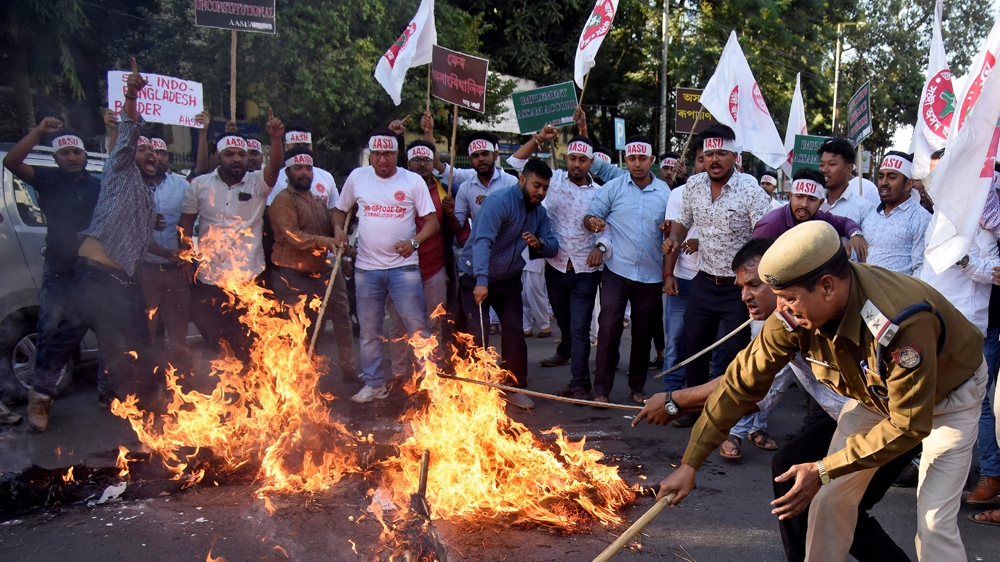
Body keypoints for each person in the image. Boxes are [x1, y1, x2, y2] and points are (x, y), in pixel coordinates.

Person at [653, 220, 987, 561]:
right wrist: (690, 464)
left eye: (788, 298)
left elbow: (908, 424)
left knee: (934, 524)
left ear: (827, 286)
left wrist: (824, 468)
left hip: (949, 398)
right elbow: (740, 384)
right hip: (874, 399)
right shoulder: (792, 312)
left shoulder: (899, 322)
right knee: (829, 501)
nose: (781, 309)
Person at [26, 61, 167, 430]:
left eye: (155, 152)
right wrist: (132, 96)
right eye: (143, 150)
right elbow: (128, 134)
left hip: (125, 281)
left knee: (141, 340)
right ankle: (40, 399)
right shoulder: (120, 171)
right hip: (93, 275)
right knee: (64, 338)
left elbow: (139, 244)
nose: (150, 154)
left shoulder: (148, 196)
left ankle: (153, 398)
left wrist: (165, 246)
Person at [662, 125, 771, 424]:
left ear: (734, 156)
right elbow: (682, 221)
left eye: (721, 153)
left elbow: (766, 234)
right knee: (694, 348)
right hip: (703, 281)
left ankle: (728, 414)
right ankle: (693, 410)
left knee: (735, 353)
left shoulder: (750, 189)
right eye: (709, 153)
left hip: (738, 288)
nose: (714, 159)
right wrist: (673, 240)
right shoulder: (694, 185)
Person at [3, 117, 104, 407]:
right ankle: (41, 398)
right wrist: (38, 131)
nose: (72, 157)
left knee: (107, 333)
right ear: (56, 157)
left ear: (84, 155)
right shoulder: (47, 179)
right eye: (65, 152)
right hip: (59, 273)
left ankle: (109, 393)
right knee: (49, 332)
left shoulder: (98, 186)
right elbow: (11, 162)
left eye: (77, 152)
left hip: (94, 273)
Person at [333, 129, 438, 403]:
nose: (382, 160)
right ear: (370, 155)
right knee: (369, 331)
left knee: (418, 327)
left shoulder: (412, 181)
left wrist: (414, 243)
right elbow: (340, 210)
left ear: (397, 154)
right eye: (377, 154)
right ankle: (374, 384)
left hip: (404, 268)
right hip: (366, 269)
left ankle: (431, 382)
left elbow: (432, 222)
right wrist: (338, 229)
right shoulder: (358, 178)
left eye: (388, 154)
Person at [178, 110, 286, 360]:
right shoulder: (199, 185)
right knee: (220, 348)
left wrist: (276, 139)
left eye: (241, 154)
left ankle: (255, 383)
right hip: (211, 279)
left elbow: (275, 167)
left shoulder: (257, 183)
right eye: (230, 154)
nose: (236, 159)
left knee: (254, 346)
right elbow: (185, 224)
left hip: (249, 278)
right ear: (218, 157)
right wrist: (185, 258)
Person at [509, 127, 602, 399]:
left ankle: (580, 384)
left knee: (580, 328)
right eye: (572, 158)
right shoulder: (554, 181)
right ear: (566, 158)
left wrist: (600, 246)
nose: (576, 164)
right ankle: (573, 366)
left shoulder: (601, 192)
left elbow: (608, 227)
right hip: (555, 266)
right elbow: (516, 163)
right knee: (566, 325)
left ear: (591, 162)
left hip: (586, 270)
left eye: (582, 160)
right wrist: (538, 139)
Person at [458, 158, 558, 409]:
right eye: (536, 185)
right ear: (522, 179)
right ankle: (473, 391)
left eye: (545, 188)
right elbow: (482, 241)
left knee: (515, 334)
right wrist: (481, 281)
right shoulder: (499, 202)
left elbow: (553, 246)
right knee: (476, 337)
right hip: (476, 277)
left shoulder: (539, 212)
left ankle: (514, 388)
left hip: (509, 280)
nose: (540, 192)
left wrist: (539, 243)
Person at [584, 134, 671, 405]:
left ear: (652, 160)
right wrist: (592, 222)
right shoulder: (613, 187)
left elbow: (674, 227)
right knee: (608, 329)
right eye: (632, 158)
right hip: (617, 270)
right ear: (625, 159)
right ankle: (601, 391)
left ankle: (637, 388)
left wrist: (669, 229)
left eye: (642, 158)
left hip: (651, 275)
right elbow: (590, 215)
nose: (637, 163)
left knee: (643, 333)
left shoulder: (665, 193)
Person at [266, 147, 356, 380]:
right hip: (292, 276)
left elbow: (331, 229)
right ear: (288, 172)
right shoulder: (282, 200)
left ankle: (349, 369)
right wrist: (327, 242)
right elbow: (293, 235)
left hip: (325, 271)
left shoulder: (317, 201)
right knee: (300, 329)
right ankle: (301, 376)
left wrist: (342, 234)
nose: (305, 173)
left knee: (342, 318)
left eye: (308, 168)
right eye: (298, 168)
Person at [137, 133, 193, 369]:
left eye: (161, 153)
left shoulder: (182, 185)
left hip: (175, 270)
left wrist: (187, 258)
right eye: (150, 152)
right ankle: (150, 376)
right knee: (146, 329)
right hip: (145, 271)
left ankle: (180, 378)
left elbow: (190, 223)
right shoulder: (130, 187)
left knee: (178, 330)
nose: (157, 158)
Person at [753, 169, 867, 246]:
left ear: (820, 202)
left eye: (812, 199)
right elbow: (752, 262)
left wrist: (855, 234)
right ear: (791, 196)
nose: (804, 204)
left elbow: (845, 223)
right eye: (799, 197)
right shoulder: (770, 225)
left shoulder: (820, 218)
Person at [864, 152, 932, 275]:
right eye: (881, 177)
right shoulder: (871, 216)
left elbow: (921, 268)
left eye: (892, 177)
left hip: (901, 287)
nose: (884, 182)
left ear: (909, 184)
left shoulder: (920, 218)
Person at [817, 138, 876, 228]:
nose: (824, 169)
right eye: (822, 165)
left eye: (832, 164)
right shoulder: (813, 202)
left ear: (849, 169)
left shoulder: (864, 210)